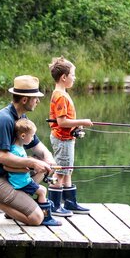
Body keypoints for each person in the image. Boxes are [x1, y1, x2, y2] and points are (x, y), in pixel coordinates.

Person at [0, 75, 58, 226]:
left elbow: (37, 146)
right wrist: (32, 162)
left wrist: (49, 160)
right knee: (36, 219)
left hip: (11, 175)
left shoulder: (21, 117)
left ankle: (15, 207)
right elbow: (1, 157)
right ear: (24, 100)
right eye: (35, 98)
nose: (38, 101)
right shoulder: (4, 120)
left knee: (42, 164)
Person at [47, 57, 93, 216]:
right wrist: (83, 122)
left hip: (66, 138)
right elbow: (61, 122)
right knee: (60, 171)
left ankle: (70, 203)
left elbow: (66, 121)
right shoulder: (60, 96)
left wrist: (76, 125)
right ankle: (53, 206)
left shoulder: (62, 93)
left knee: (67, 170)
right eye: (73, 74)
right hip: (62, 139)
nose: (74, 77)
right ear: (64, 77)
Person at [6, 118, 62, 227]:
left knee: (39, 190)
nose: (33, 139)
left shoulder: (16, 147)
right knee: (42, 191)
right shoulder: (15, 150)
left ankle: (34, 208)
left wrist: (32, 163)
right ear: (23, 136)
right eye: (31, 136)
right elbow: (8, 166)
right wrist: (28, 168)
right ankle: (46, 217)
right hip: (21, 182)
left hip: (20, 180)